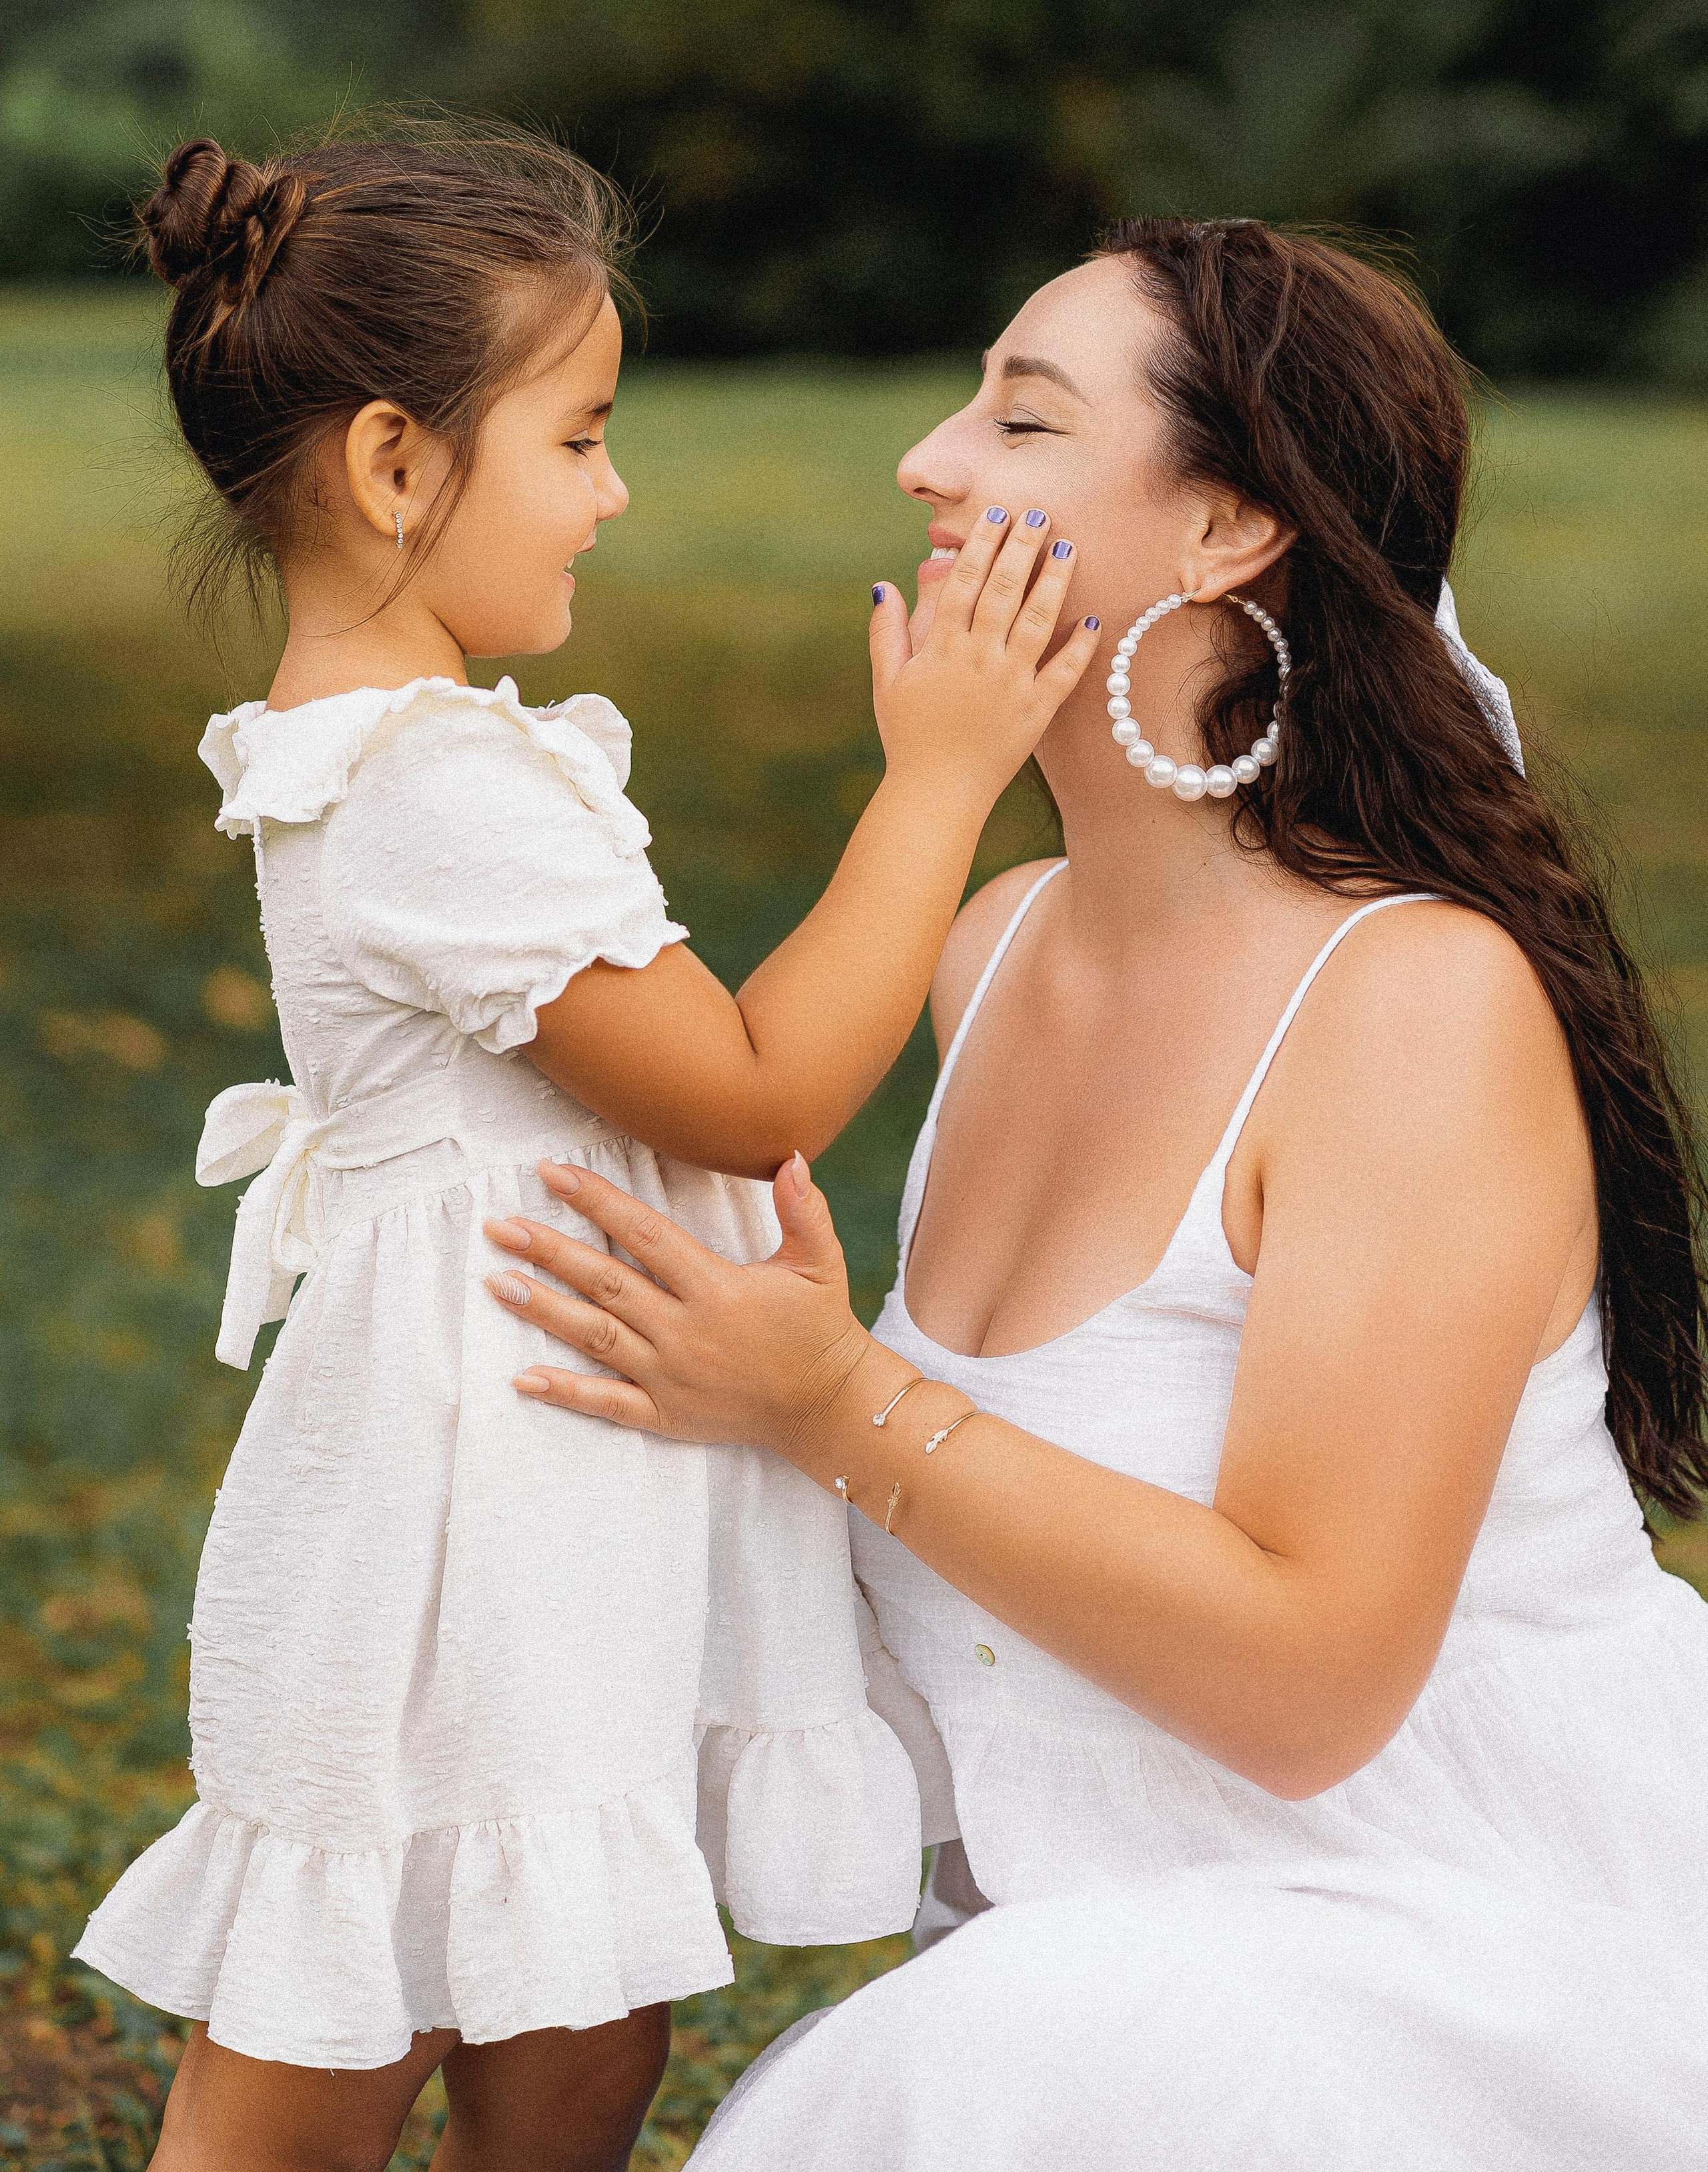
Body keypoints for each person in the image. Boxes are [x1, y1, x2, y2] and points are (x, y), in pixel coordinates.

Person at [485, 218, 1708, 2168]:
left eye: (1023, 420)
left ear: (1227, 531)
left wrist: (835, 1402)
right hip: (1104, 1973)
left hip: (1476, 1938)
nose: (928, 463)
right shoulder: (998, 947)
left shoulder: (1413, 1007)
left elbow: (1309, 1690)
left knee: (1019, 2054)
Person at [73, 117, 1100, 2172]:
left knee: (582, 2033)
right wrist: (940, 778)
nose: (614, 493)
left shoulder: (424, 756)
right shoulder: (426, 783)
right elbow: (755, 1088)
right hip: (463, 1521)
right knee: (322, 2059)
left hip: (548, 1486)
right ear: (395, 465)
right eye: (579, 438)